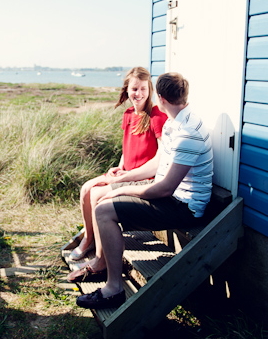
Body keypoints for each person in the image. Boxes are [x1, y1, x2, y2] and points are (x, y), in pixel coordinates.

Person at [74, 72, 214, 310]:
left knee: (104, 211)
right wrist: (124, 181)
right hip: (170, 196)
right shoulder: (175, 121)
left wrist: (121, 190)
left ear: (159, 98)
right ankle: (104, 266)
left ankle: (113, 289)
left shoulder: (188, 133)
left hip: (183, 206)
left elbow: (166, 188)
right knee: (103, 199)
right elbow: (160, 167)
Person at [68, 67, 167, 265]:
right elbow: (126, 147)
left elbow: (160, 157)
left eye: (143, 89)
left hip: (141, 178)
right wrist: (119, 166)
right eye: (134, 89)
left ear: (150, 90)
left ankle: (101, 255)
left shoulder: (157, 117)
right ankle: (89, 238)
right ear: (127, 90)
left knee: (97, 195)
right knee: (86, 188)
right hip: (124, 171)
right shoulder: (129, 114)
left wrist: (127, 174)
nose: (138, 94)